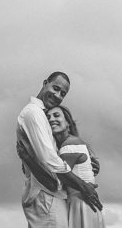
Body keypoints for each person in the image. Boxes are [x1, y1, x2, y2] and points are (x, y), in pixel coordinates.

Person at [16, 72, 101, 227]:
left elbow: (46, 157)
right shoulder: (34, 113)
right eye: (55, 88)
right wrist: (83, 186)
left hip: (53, 195)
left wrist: (85, 164)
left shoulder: (42, 115)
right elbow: (49, 160)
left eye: (63, 93)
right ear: (45, 83)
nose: (58, 95)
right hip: (47, 194)